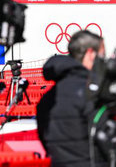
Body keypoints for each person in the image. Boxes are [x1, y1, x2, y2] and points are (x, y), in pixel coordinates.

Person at [36, 30, 108, 167]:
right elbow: (104, 140)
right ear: (90, 54)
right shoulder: (92, 93)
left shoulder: (48, 96)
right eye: (101, 55)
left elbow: (44, 137)